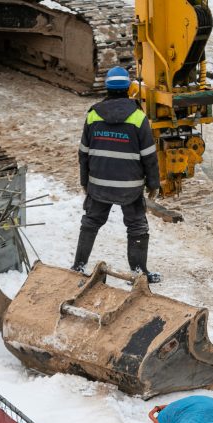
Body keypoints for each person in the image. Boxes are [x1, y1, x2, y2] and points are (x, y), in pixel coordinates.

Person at [73, 65, 162, 283]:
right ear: (128, 88)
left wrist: (85, 182)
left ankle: (78, 265)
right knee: (137, 226)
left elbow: (83, 153)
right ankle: (139, 273)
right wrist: (153, 183)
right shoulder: (138, 118)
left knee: (91, 222)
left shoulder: (93, 115)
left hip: (98, 184)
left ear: (107, 87)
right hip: (129, 187)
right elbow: (149, 156)